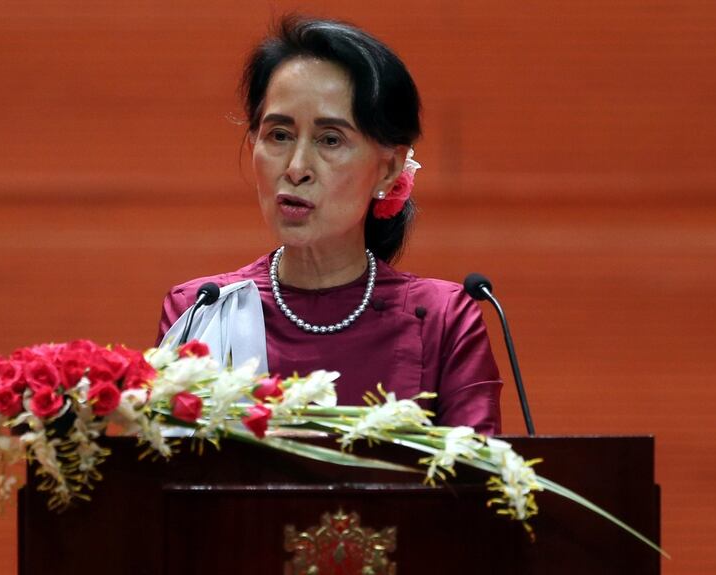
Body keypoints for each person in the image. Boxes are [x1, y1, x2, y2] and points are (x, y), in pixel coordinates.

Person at [156, 16, 502, 435]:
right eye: (279, 135)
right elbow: (171, 486)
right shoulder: (203, 309)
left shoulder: (442, 319)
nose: (297, 168)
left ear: (388, 168)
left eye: (330, 140)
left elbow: (475, 490)